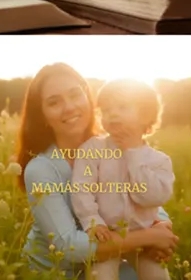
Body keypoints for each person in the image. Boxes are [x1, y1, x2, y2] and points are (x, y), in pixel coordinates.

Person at [16, 63, 178, 278]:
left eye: (75, 95)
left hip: (110, 255)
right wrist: (149, 237)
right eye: (54, 102)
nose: (69, 107)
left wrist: (161, 225)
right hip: (58, 270)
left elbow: (137, 195)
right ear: (43, 115)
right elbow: (68, 245)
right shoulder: (41, 169)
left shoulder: (115, 145)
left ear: (88, 98)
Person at [70, 78, 174, 280]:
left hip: (145, 240)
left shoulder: (159, 161)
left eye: (122, 107)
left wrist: (133, 153)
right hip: (107, 236)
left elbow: (152, 198)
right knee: (101, 276)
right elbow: (82, 189)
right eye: (106, 110)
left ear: (146, 115)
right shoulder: (93, 150)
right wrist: (92, 222)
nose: (113, 114)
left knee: (158, 276)